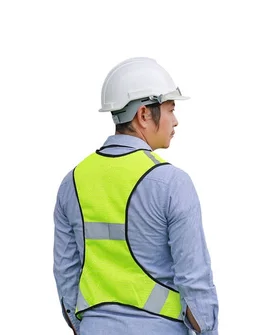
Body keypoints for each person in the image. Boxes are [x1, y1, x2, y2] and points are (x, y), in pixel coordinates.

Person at [53, 57, 219, 334]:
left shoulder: (72, 182)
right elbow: (194, 280)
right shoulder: (171, 182)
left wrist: (86, 327)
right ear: (144, 114)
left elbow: (66, 273)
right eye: (170, 109)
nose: (175, 121)